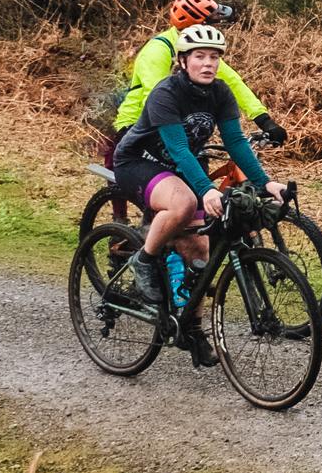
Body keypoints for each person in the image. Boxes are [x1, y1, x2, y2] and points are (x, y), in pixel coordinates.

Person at [110, 21, 290, 363]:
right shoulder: (166, 92)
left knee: (200, 249)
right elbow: (178, 149)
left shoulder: (220, 92)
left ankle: (189, 328)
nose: (208, 63)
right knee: (184, 203)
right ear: (183, 61)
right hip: (139, 161)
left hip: (180, 165)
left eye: (214, 57)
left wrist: (266, 182)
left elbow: (236, 142)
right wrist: (206, 188)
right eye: (199, 56)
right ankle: (143, 260)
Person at [110, 0, 287, 145]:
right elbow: (155, 95)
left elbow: (233, 83)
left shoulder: (200, 52)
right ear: (197, 25)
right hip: (136, 127)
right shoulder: (158, 50)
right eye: (210, 24)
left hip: (179, 125)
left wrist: (264, 121)